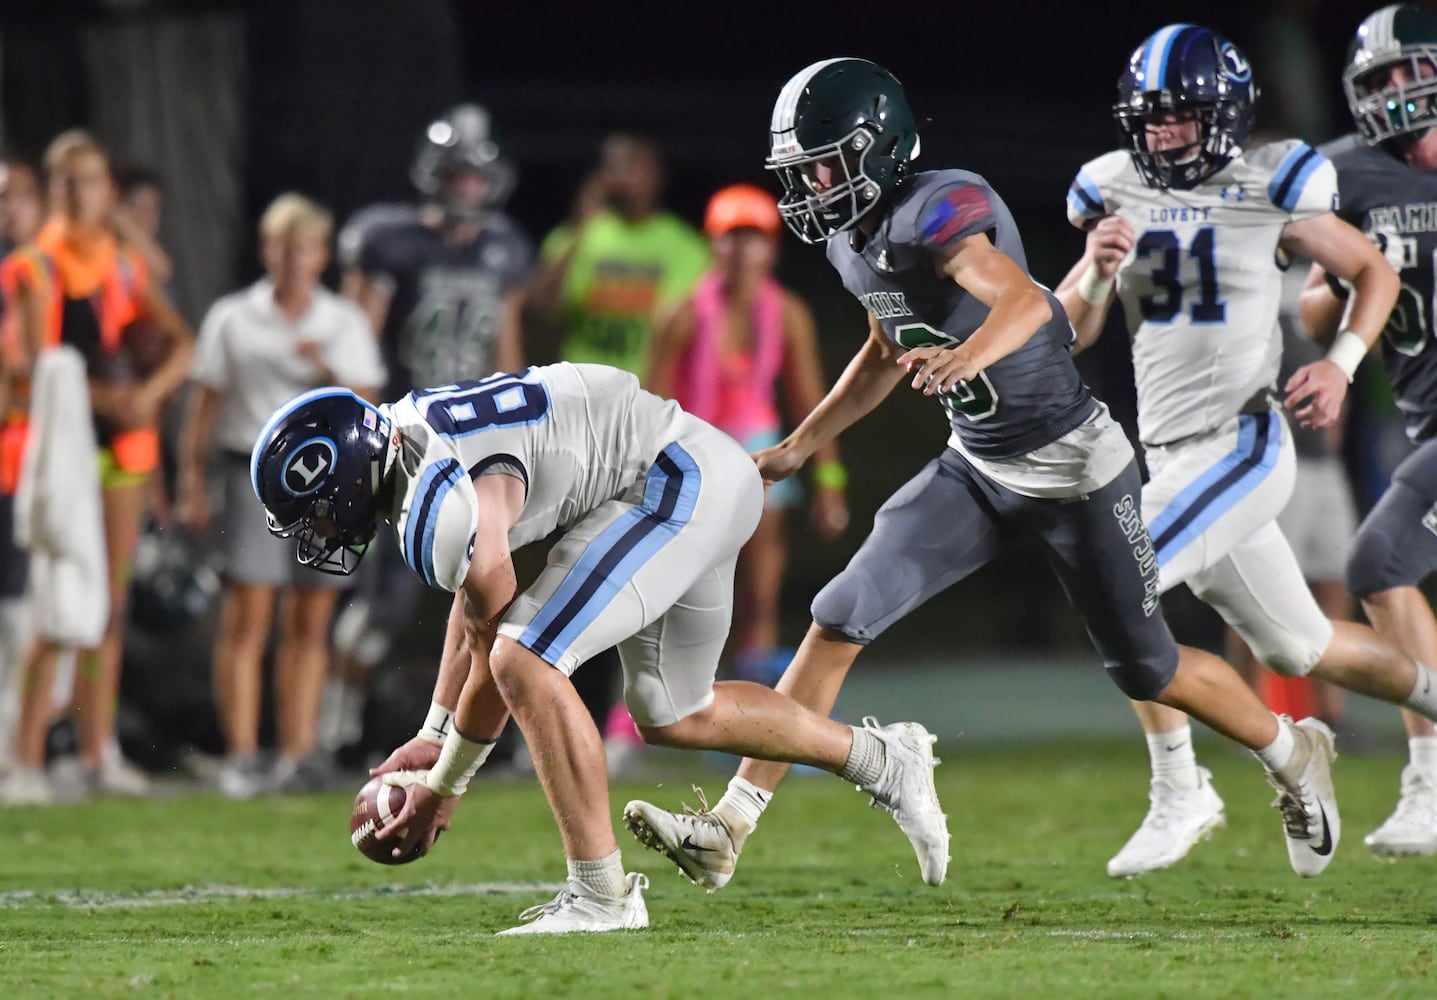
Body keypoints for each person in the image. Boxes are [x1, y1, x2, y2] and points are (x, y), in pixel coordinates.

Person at [622, 57, 1341, 893]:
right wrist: (799, 446)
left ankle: (1293, 750)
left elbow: (1026, 304)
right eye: (803, 170)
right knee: (837, 617)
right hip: (976, 467)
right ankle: (731, 825)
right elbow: (883, 351)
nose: (813, 186)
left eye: (825, 164)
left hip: (1076, 468)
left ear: (879, 148)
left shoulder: (939, 205)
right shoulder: (854, 240)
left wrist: (963, 356)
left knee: (1149, 668)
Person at [250, 364, 946, 934]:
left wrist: (444, 786)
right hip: (698, 471)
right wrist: (435, 733)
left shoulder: (433, 491)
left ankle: (600, 896)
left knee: (525, 657)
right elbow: (475, 611)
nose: (317, 529)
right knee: (676, 712)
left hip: (673, 481)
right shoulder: (406, 438)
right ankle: (884, 760)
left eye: (312, 509)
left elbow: (496, 637)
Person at [1050, 24, 1437, 880]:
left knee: (1115, 567)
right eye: (1148, 120)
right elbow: (1073, 334)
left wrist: (1338, 367)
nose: (1161, 136)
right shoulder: (1110, 189)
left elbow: (1371, 270)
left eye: (1180, 119)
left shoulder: (1275, 178)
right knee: (1299, 649)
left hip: (1242, 443)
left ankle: (1179, 788)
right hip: (1165, 450)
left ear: (1221, 116)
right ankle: (1302, 751)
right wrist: (1096, 270)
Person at [323, 105, 531, 761]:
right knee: (380, 599)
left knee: (487, 590)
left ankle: (473, 738)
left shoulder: (504, 250)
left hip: (472, 441)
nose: (468, 187)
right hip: (403, 439)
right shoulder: (389, 239)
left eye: (476, 176)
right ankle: (333, 730)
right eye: (458, 175)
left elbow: (506, 350)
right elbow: (355, 343)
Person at [2, 131, 193, 802]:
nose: (77, 192)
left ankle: (96, 751)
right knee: (58, 605)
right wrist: (111, 393)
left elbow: (180, 342)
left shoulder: (120, 264)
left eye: (89, 179)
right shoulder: (35, 264)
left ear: (109, 190)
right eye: (66, 180)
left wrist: (149, 392)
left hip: (122, 448)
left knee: (109, 603)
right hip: (62, 447)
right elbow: (29, 367)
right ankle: (24, 761)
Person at [177, 194, 386, 797]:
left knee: (310, 620)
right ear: (267, 249)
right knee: (248, 616)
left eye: (305, 246)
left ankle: (298, 752)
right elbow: (205, 402)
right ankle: (243, 754)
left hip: (330, 479)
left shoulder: (341, 321)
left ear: (321, 254)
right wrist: (191, 478)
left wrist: (325, 368)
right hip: (252, 469)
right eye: (282, 245)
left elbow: (368, 402)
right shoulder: (233, 317)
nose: (293, 258)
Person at [1299, 3, 1437, 856]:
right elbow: (1317, 309)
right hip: (1423, 425)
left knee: (1378, 560)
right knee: (1382, 566)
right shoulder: (1345, 174)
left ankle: (1428, 783)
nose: (1395, 91)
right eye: (1378, 80)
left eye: (1408, 71)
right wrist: (1349, 283)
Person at [530, 135, 710, 756]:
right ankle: (550, 714)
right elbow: (541, 306)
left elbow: (689, 337)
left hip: (639, 424)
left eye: (635, 168)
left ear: (657, 176)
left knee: (621, 569)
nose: (624, 179)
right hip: (571, 422)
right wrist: (580, 227)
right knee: (561, 568)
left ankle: (616, 720)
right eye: (614, 170)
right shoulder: (579, 238)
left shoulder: (681, 248)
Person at [646, 184, 849, 686]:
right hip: (693, 455)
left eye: (753, 239)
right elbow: (650, 405)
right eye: (730, 238)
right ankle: (666, 696)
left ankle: (750, 696)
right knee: (680, 589)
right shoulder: (682, 312)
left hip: (760, 457)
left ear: (771, 249)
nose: (741, 251)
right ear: (712, 245)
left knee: (759, 589)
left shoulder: (786, 313)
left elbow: (812, 403)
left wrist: (829, 481)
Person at [0, 156, 45, 779]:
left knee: (22, 608)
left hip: (25, 465)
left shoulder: (39, 268)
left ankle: (18, 750)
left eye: (15, 196)